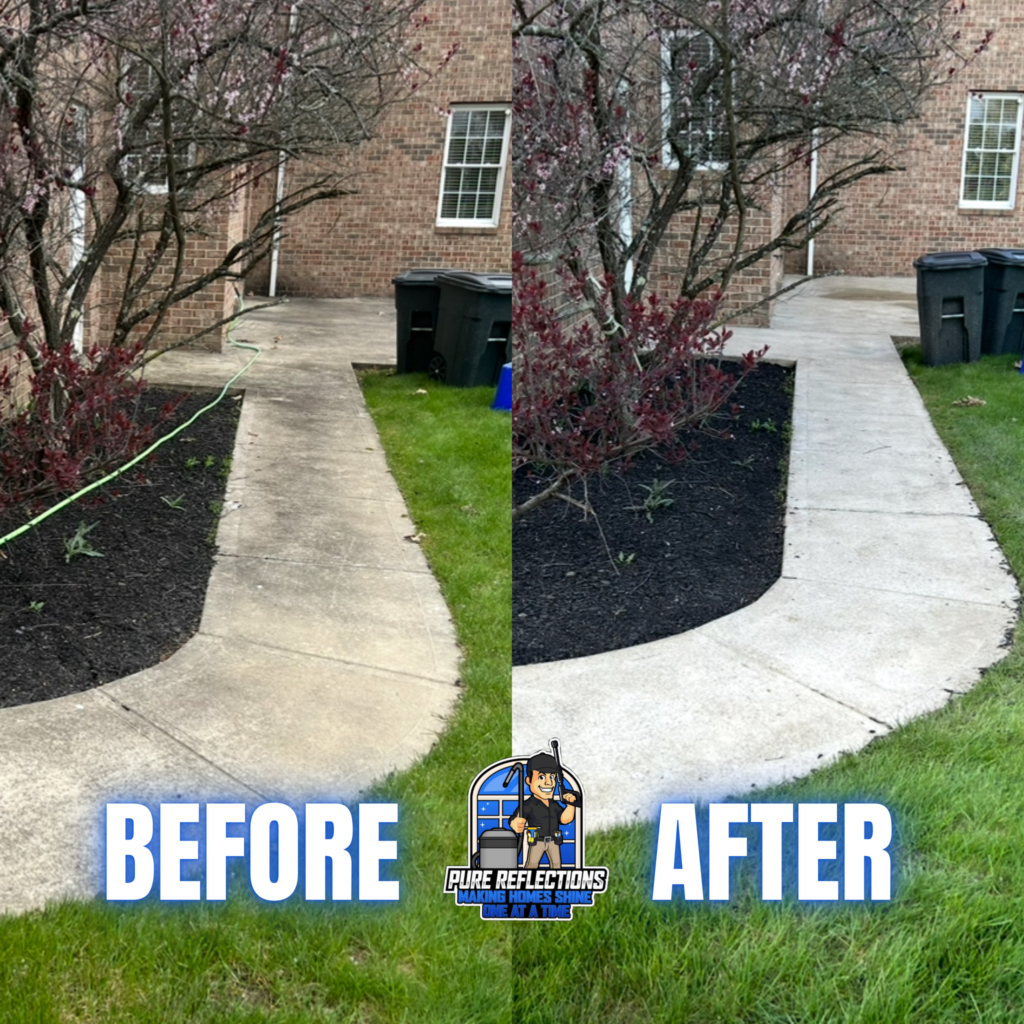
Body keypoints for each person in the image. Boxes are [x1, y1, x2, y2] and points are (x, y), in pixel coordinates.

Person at [507, 752, 580, 869]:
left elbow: (564, 819)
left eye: (552, 777)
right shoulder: (528, 805)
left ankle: (557, 886)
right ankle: (526, 886)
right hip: (537, 842)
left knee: (556, 865)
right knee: (532, 865)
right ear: (529, 781)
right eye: (541, 777)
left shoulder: (554, 805)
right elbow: (516, 818)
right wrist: (514, 823)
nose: (548, 782)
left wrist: (571, 805)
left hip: (554, 842)